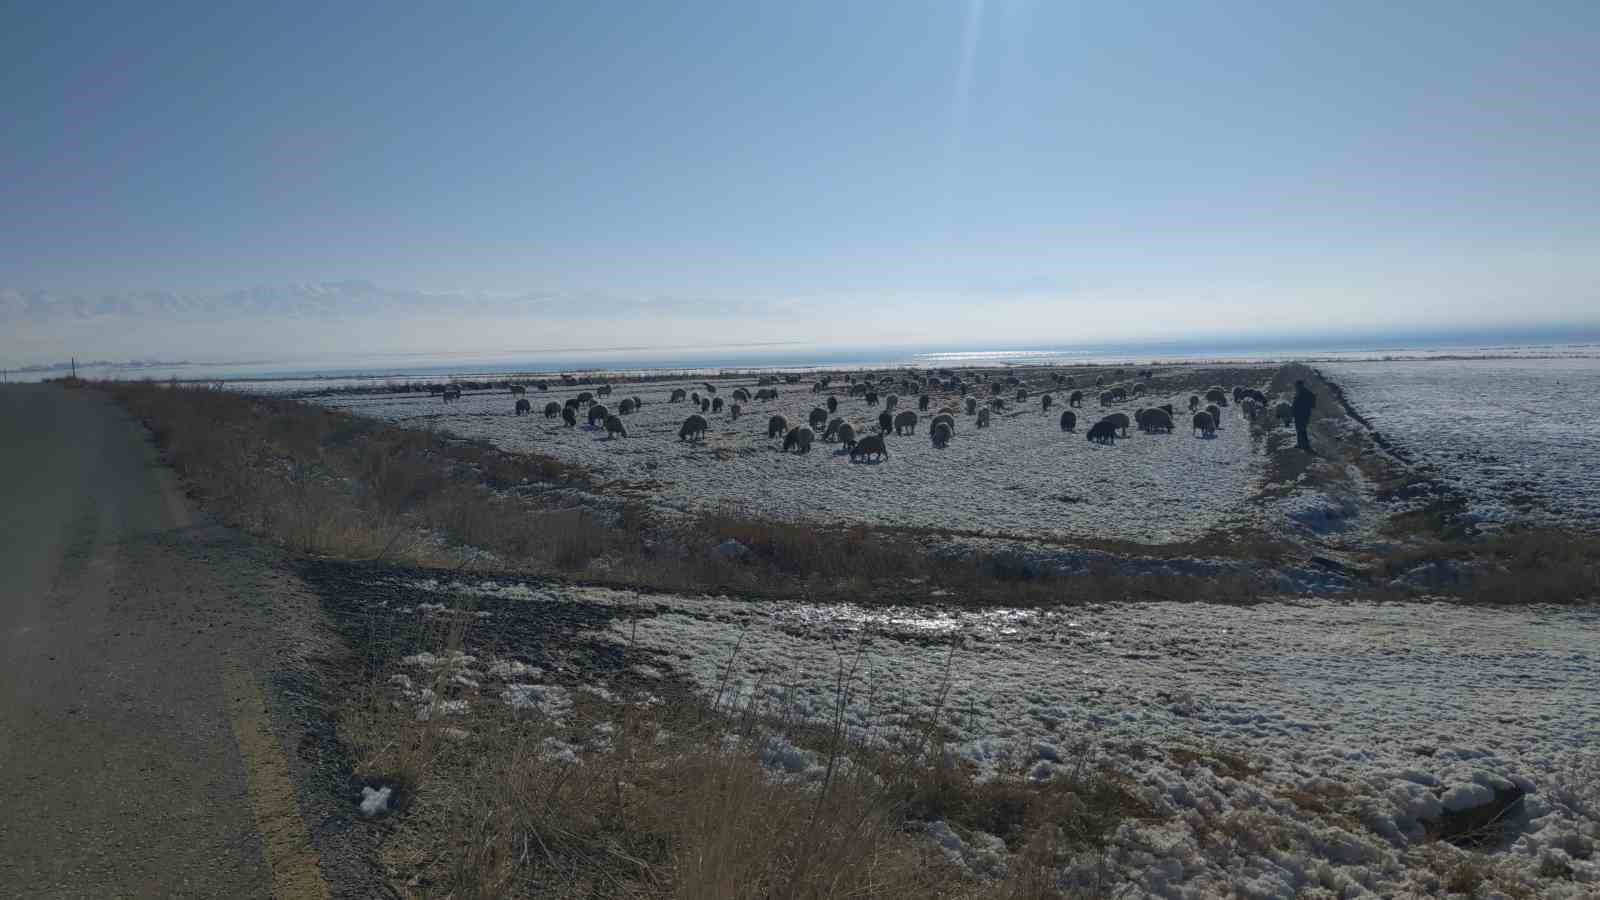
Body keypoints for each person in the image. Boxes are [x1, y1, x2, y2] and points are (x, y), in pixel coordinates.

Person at [1292, 379, 1316, 452]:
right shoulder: (1303, 392)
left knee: (1301, 429)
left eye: (1296, 385)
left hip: (1302, 414)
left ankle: (1305, 445)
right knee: (1300, 429)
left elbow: (1310, 403)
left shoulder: (1304, 392)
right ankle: (1301, 444)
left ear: (1299, 385)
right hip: (1301, 413)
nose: (1296, 387)